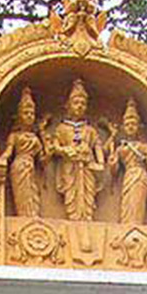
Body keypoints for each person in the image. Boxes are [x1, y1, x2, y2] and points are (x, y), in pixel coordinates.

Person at [47, 79, 106, 221]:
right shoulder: (62, 128)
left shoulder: (90, 130)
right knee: (71, 194)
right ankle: (73, 217)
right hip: (69, 166)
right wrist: (64, 150)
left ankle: (87, 217)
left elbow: (97, 145)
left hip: (87, 166)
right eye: (76, 103)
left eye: (83, 104)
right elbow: (54, 146)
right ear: (68, 106)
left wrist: (101, 164)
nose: (79, 106)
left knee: (88, 195)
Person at [108, 98, 147, 226]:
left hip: (140, 176)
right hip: (128, 176)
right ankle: (128, 228)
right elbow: (114, 171)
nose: (130, 127)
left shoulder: (144, 147)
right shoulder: (121, 148)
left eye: (133, 124)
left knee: (137, 204)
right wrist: (112, 163)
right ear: (123, 127)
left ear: (139, 127)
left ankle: (136, 228)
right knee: (127, 206)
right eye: (127, 125)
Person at [0, 87, 45, 217]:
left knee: (33, 194)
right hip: (19, 166)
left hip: (31, 167)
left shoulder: (35, 138)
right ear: (19, 116)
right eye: (26, 113)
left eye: (32, 113)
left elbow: (42, 159)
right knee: (22, 195)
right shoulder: (14, 136)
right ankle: (24, 216)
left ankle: (32, 216)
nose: (30, 116)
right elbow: (8, 153)